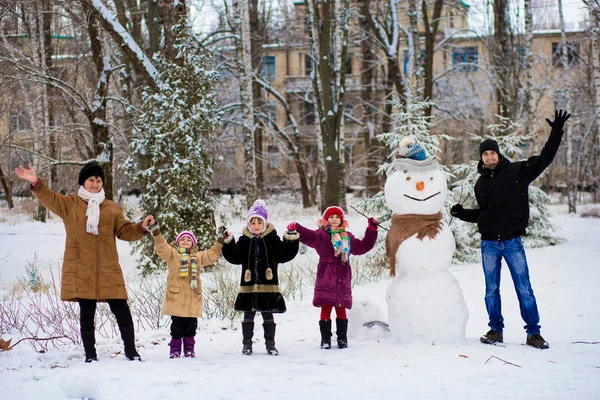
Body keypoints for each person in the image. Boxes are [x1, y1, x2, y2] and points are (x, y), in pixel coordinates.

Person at [450, 109, 571, 350]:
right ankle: (496, 330)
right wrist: (462, 213)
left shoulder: (517, 171)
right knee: (491, 290)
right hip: (489, 244)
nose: (489, 156)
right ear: (481, 157)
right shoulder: (480, 183)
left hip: (513, 241)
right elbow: (483, 214)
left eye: (492, 152)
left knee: (524, 288)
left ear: (498, 153)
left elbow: (546, 158)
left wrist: (556, 132)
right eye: (485, 153)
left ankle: (533, 333)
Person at [14, 161, 154, 362]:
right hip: (82, 268)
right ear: (83, 182)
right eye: (91, 180)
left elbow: (124, 231)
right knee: (87, 313)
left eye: (98, 180)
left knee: (122, 310)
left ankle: (131, 351)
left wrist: (141, 227)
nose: (95, 184)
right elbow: (50, 198)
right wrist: (36, 182)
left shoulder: (111, 207)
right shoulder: (70, 203)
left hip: (108, 268)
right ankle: (90, 354)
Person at [287, 206, 378, 349]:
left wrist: (371, 230)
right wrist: (298, 228)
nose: (334, 220)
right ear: (326, 220)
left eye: (337, 217)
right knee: (326, 307)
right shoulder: (321, 236)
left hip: (342, 276)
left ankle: (342, 338)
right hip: (326, 277)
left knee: (341, 307)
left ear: (342, 220)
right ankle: (325, 339)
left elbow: (363, 247)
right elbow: (309, 236)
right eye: (331, 217)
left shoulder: (347, 237)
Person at [221, 199, 299, 356]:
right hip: (248, 287)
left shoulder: (272, 239)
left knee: (268, 315)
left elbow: (284, 255)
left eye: (259, 222)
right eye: (253, 222)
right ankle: (247, 344)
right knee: (248, 316)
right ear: (249, 224)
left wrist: (290, 239)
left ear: (265, 223)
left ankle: (270, 344)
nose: (256, 225)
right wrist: (228, 242)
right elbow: (234, 257)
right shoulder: (244, 240)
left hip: (268, 286)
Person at [150, 224, 228, 358]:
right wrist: (156, 232)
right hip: (176, 297)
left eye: (188, 239)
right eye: (182, 239)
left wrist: (220, 240)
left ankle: (189, 349)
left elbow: (212, 254)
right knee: (176, 326)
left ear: (193, 243)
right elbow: (162, 246)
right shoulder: (173, 255)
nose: (185, 241)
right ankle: (174, 349)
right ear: (178, 242)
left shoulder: (198, 257)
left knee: (191, 327)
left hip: (193, 297)